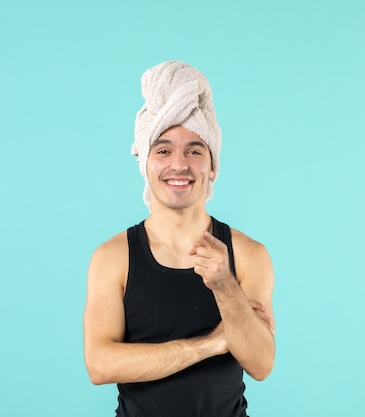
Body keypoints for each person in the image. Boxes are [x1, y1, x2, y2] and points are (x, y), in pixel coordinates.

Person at [83, 60, 275, 417]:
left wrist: (224, 284)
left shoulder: (247, 255)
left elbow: (262, 363)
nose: (179, 165)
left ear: (212, 165)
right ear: (146, 163)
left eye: (195, 150)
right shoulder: (113, 258)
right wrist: (211, 344)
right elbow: (99, 364)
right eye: (163, 149)